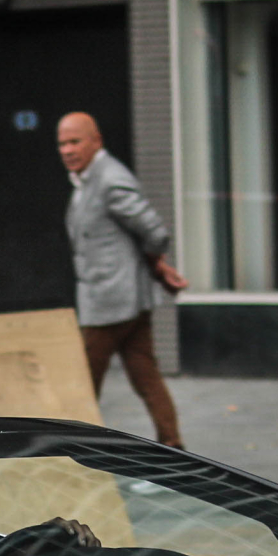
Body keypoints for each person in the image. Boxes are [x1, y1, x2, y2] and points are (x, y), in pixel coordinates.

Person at [58, 112, 189, 449]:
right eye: (61, 143)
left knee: (83, 387)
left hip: (110, 303)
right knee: (146, 378)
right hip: (124, 300)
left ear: (96, 140)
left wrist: (156, 261)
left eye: (74, 141)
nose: (67, 150)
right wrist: (154, 268)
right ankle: (174, 448)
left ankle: (73, 453)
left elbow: (154, 231)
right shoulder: (89, 179)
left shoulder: (109, 179)